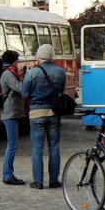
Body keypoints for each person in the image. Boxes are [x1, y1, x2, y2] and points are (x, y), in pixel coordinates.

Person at [20, 44, 66, 190]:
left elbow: (24, 93)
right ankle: (54, 180)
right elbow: (62, 90)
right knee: (54, 146)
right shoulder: (60, 72)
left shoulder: (33, 72)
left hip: (36, 112)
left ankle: (38, 181)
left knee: (37, 148)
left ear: (39, 56)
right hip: (54, 112)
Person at [0, 50, 25, 185]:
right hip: (9, 112)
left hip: (11, 112)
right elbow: (20, 88)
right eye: (17, 61)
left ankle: (8, 173)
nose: (18, 63)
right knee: (12, 144)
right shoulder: (8, 74)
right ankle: (8, 174)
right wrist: (24, 77)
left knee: (12, 144)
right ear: (13, 61)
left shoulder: (7, 72)